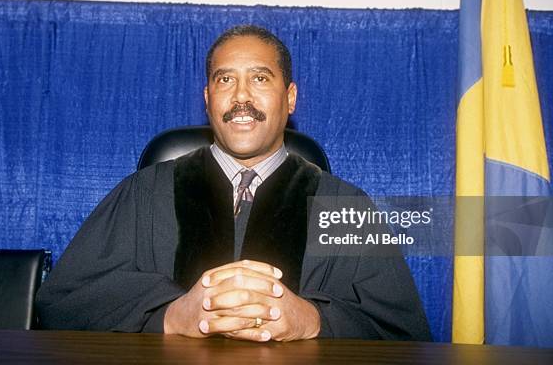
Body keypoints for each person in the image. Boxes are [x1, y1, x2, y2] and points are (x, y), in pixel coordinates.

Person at [36, 25, 432, 342]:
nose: (241, 96)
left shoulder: (345, 207)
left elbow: (403, 332)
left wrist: (313, 320)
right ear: (208, 98)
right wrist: (171, 315)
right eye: (225, 80)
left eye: (260, 78)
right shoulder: (144, 193)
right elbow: (62, 303)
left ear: (290, 98)